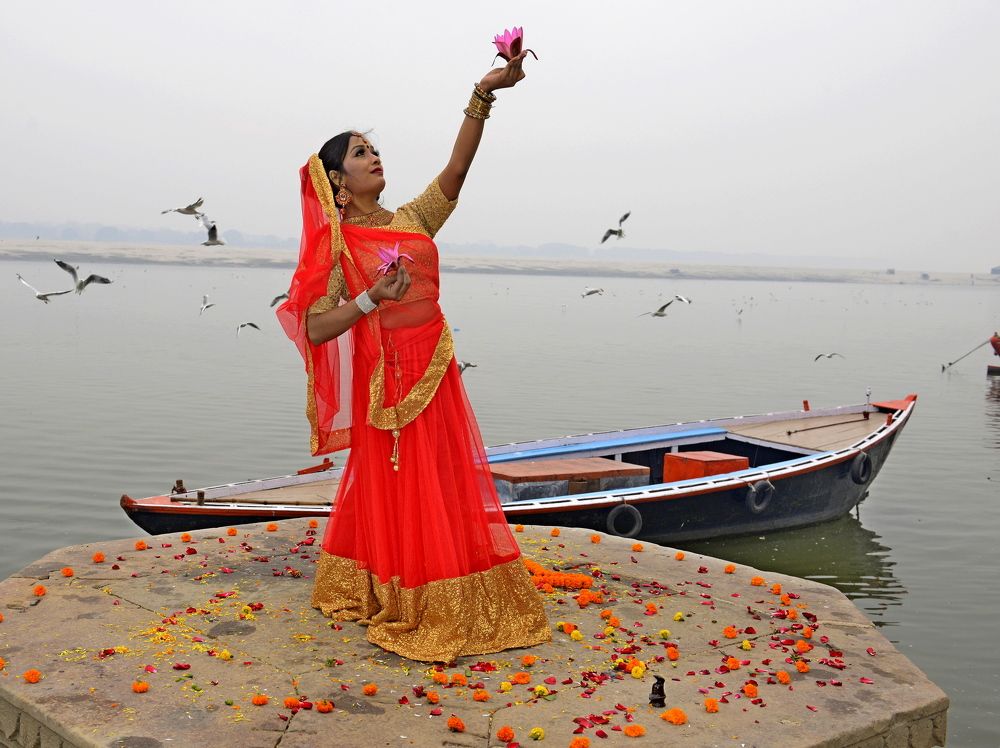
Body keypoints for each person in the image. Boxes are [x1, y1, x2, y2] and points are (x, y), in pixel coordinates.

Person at [277, 51, 550, 663]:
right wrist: (372, 297)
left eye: (374, 148)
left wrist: (485, 91)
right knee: (402, 493)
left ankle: (459, 589)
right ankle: (412, 594)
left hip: (437, 374)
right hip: (388, 387)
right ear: (338, 182)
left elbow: (458, 166)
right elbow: (317, 328)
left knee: (445, 484)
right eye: (359, 152)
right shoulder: (340, 248)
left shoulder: (414, 218)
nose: (374, 156)